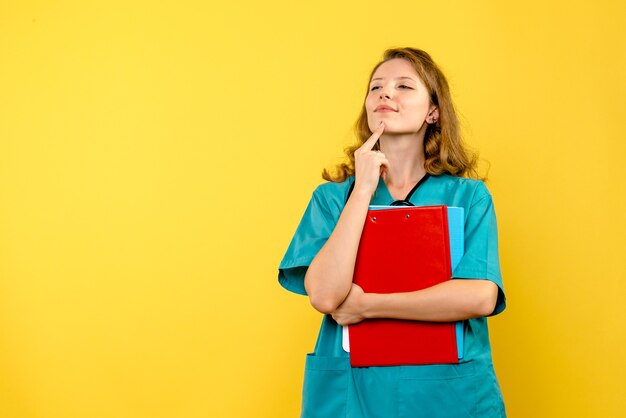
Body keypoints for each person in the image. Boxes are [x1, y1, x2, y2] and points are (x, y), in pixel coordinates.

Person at [278, 47, 506, 418]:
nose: (385, 94)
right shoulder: (334, 199)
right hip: (355, 391)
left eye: (404, 86)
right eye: (376, 87)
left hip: (449, 393)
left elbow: (479, 296)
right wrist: (363, 190)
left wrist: (368, 306)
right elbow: (323, 294)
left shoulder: (469, 197)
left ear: (433, 111)